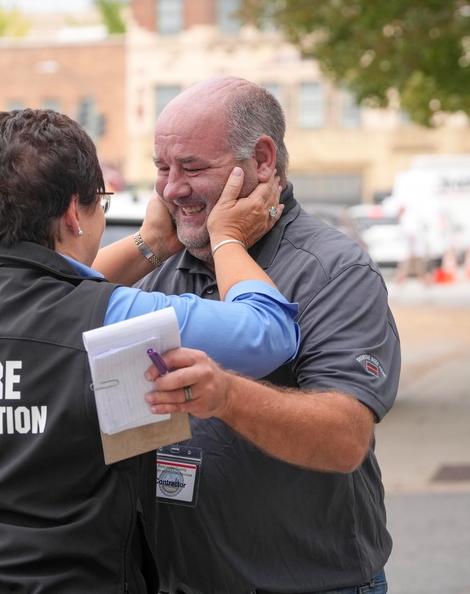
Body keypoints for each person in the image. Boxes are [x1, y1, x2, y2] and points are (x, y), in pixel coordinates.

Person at [0, 108, 300, 593]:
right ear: (71, 213)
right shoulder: (108, 320)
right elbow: (268, 332)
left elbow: (45, 291)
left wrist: (150, 244)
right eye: (99, 204)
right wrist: (227, 238)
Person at [137, 76, 399, 594]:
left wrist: (226, 394)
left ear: (261, 160)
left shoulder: (332, 269)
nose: (172, 189)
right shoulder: (159, 269)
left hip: (312, 583)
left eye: (191, 167)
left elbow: (344, 438)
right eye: (162, 169)